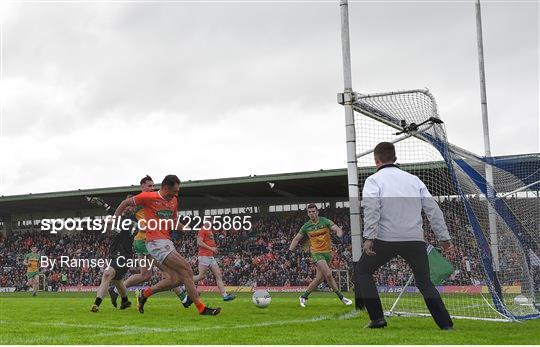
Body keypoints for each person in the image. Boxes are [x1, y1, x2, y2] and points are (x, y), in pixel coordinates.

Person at [356, 142, 454, 329]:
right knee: (424, 282)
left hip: (386, 239)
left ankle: (377, 318)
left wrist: (369, 237)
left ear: (376, 160)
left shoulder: (373, 180)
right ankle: (445, 324)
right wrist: (444, 238)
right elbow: (433, 209)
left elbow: (372, 209)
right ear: (395, 158)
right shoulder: (414, 180)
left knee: (363, 271)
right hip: (414, 240)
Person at [113, 174, 220, 316]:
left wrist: (190, 229)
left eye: (177, 191)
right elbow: (125, 203)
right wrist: (115, 219)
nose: (176, 194)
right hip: (155, 242)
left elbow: (175, 222)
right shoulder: (148, 197)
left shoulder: (174, 201)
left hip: (166, 241)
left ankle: (144, 294)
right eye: (174, 191)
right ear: (165, 188)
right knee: (186, 269)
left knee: (175, 279)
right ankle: (201, 308)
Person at [110, 175, 191, 308]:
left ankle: (116, 289)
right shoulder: (143, 200)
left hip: (142, 241)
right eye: (149, 186)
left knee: (145, 275)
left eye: (154, 186)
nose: (152, 188)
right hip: (146, 241)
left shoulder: (155, 198)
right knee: (169, 272)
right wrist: (117, 217)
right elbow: (127, 207)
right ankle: (184, 298)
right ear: (142, 186)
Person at [289, 204, 353, 307]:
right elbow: (297, 239)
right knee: (328, 274)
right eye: (309, 212)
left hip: (327, 253)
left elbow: (336, 228)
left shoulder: (325, 221)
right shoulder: (306, 226)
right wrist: (290, 251)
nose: (312, 213)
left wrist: (339, 233)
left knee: (319, 279)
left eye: (313, 211)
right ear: (308, 214)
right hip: (316, 253)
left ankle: (304, 296)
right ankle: (342, 297)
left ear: (317, 212)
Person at [90, 196, 136, 312]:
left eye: (128, 205)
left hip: (124, 255)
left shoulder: (134, 218)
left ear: (134, 206)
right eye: (125, 204)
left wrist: (105, 209)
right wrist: (104, 205)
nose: (126, 207)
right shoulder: (123, 218)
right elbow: (115, 215)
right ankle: (125, 301)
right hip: (114, 253)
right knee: (117, 281)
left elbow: (116, 217)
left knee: (107, 274)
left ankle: (96, 304)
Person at [192, 226, 235, 301]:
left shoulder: (210, 230)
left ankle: (225, 295)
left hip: (210, 257)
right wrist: (211, 248)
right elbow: (199, 242)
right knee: (201, 276)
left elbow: (214, 234)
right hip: (204, 256)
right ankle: (185, 282)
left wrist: (223, 232)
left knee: (218, 275)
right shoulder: (202, 230)